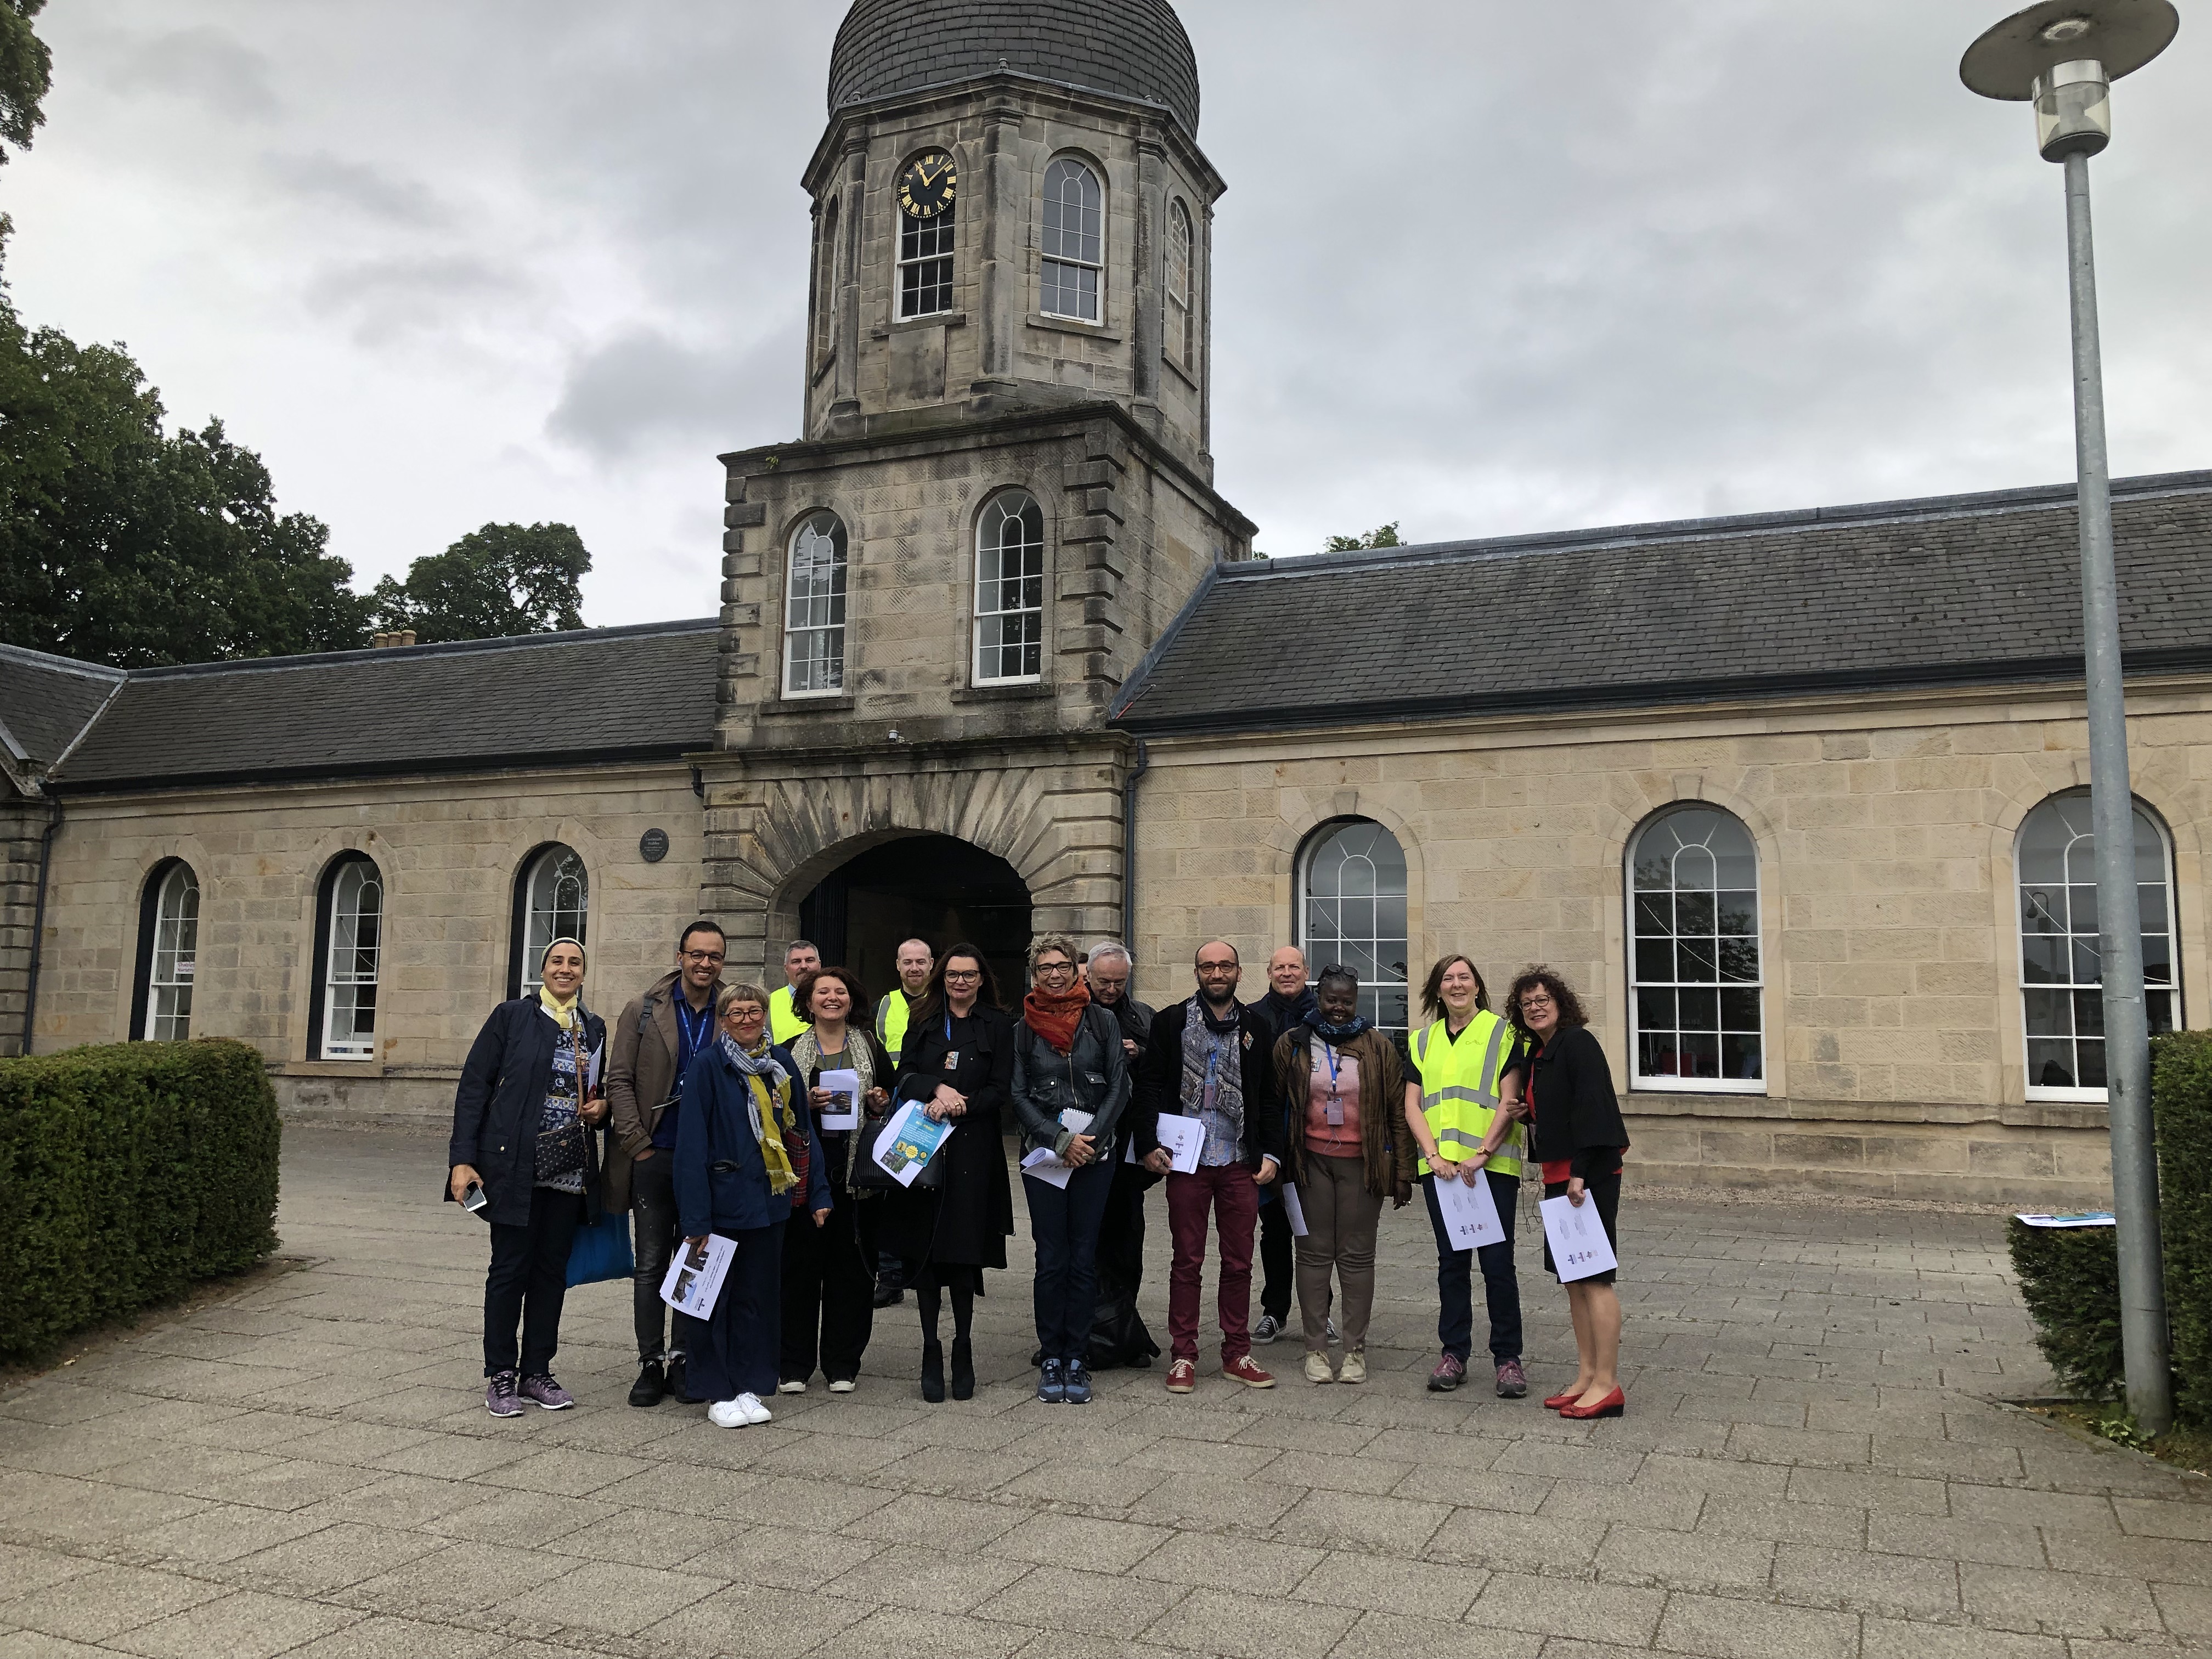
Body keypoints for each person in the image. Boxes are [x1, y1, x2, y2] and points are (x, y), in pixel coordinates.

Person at [447, 938, 608, 1417]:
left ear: (583, 972)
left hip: (568, 1171)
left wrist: (603, 1108)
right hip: (513, 1167)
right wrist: (462, 1159)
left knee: (550, 1274)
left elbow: (600, 1093)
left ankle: (537, 1370)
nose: (566, 969)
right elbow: (474, 1086)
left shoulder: (592, 1027)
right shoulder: (512, 1017)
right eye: (557, 961)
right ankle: (500, 1374)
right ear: (543, 970)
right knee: (509, 1271)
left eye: (574, 962)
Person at [673, 983, 831, 1428]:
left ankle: (747, 1384)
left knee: (757, 1298)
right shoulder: (707, 1067)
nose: (746, 1019)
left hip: (771, 1201)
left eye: (754, 1011)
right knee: (712, 1300)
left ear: (766, 1016)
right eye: (737, 1013)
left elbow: (802, 1133)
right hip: (722, 1201)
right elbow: (691, 1147)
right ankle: (715, 1390)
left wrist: (818, 1192)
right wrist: (695, 1217)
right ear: (723, 1020)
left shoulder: (780, 1064)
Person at [1135, 940, 1284, 1393]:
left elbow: (1272, 1098)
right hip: (1187, 1163)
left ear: (1239, 972)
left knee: (1239, 1263)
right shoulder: (1171, 1022)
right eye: (1208, 966)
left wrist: (1273, 1155)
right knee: (1187, 1261)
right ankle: (1184, 1356)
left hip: (1240, 1161)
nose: (1216, 973)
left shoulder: (1258, 1026)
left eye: (1225, 966)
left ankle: (1237, 1352)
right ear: (1197, 972)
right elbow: (1149, 1086)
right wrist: (1146, 1144)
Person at [885, 943, 1015, 1402]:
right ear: (943, 978)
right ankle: (929, 1348)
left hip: (974, 1149)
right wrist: (935, 1089)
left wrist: (961, 1104)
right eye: (953, 975)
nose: (960, 982)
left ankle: (962, 1346)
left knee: (963, 1253)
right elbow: (904, 1074)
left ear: (982, 980)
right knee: (927, 1253)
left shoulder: (999, 1025)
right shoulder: (921, 1019)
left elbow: (1002, 1088)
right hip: (924, 1146)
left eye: (969, 975)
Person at [605, 919, 726, 1408]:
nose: (704, 963)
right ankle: (650, 1361)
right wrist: (638, 1144)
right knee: (652, 1262)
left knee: (694, 1260)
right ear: (680, 957)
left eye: (714, 956)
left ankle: (683, 1357)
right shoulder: (643, 1009)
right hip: (656, 1153)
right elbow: (619, 1080)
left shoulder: (733, 1009)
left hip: (707, 1161)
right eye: (696, 954)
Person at [1274, 965, 1412, 1385]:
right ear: (1318, 998)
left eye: (1346, 1001)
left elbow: (1396, 1113)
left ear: (1356, 1001)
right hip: (1309, 1163)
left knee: (1356, 1258)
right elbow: (1274, 1105)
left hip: (1363, 1165)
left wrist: (1403, 1170)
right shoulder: (1292, 1044)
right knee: (1314, 1256)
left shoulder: (1378, 1047)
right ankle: (1315, 1348)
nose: (1338, 1008)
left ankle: (1354, 1350)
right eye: (1331, 1000)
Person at [1402, 953, 1531, 1398]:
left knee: (1497, 1265)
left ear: (1478, 986)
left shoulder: (1503, 1033)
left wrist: (1483, 1152)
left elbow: (1509, 1100)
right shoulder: (1422, 1041)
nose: (1457, 985)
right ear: (1437, 989)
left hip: (1489, 1168)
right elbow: (1411, 1105)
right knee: (1452, 1264)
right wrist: (1432, 1155)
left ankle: (1508, 1359)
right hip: (1440, 1170)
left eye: (1465, 978)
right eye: (1448, 979)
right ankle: (1454, 1352)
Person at [1011, 933, 1132, 1404]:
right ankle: (1052, 1354)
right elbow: (1018, 1096)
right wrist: (1059, 1140)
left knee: (1084, 1257)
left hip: (1094, 1158)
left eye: (1063, 966)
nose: (1055, 975)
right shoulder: (1022, 1029)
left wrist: (1088, 1143)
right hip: (1043, 1157)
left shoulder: (1101, 1021)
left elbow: (1118, 1089)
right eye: (1046, 969)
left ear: (1077, 970)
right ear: (1035, 974)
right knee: (1050, 1258)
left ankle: (1077, 1356)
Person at [1505, 965, 1630, 1420]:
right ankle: (1585, 1375)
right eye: (1527, 1004)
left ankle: (1607, 1384)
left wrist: (1579, 1174)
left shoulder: (1577, 1043)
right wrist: (1524, 1115)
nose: (1535, 1008)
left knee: (1595, 1279)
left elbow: (1595, 1108)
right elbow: (1558, 1115)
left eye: (1543, 1000)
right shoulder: (1541, 1053)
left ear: (1560, 1003)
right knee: (1573, 1280)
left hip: (1588, 1177)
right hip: (1561, 1176)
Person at [780, 965, 894, 1393]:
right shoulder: (789, 1052)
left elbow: (890, 1097)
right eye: (822, 992)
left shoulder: (869, 1045)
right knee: (799, 1269)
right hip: (805, 1174)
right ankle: (793, 1363)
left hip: (857, 1174)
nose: (832, 998)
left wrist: (879, 1102)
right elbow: (777, 1112)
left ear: (852, 1000)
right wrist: (803, 1102)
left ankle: (843, 1363)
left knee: (852, 1271)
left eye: (839, 992)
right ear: (807, 1002)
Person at [1085, 941, 1161, 1369]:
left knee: (1127, 1245)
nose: (1111, 988)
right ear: (1088, 976)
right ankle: (1082, 1331)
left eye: (1119, 981)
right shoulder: (1073, 1012)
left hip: (1130, 1150)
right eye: (1104, 981)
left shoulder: (1144, 1016)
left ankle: (1124, 1332)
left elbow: (1162, 1074)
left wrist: (1141, 1052)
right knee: (1084, 1247)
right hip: (1085, 1144)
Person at [1247, 946, 1318, 1347]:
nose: (1287, 973)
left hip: (1316, 1142)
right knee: (1274, 1231)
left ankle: (1318, 1312)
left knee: (1316, 1235)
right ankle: (1274, 1311)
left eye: (1294, 967)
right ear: (1269, 972)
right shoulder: (1254, 1017)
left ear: (1305, 971)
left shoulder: (1325, 1016)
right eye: (1280, 967)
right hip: (1271, 1142)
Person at [871, 937, 934, 1308]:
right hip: (896, 1111)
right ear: (898, 966)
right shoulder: (884, 1006)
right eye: (907, 962)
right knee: (890, 1194)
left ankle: (925, 1268)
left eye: (921, 962)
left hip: (933, 1111)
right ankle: (890, 1275)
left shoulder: (946, 1002)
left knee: (928, 1193)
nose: (914, 968)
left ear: (931, 964)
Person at [768, 940, 821, 1046]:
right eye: (796, 962)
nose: (804, 966)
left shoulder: (836, 1000)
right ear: (786, 968)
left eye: (809, 960)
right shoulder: (767, 1003)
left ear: (819, 965)